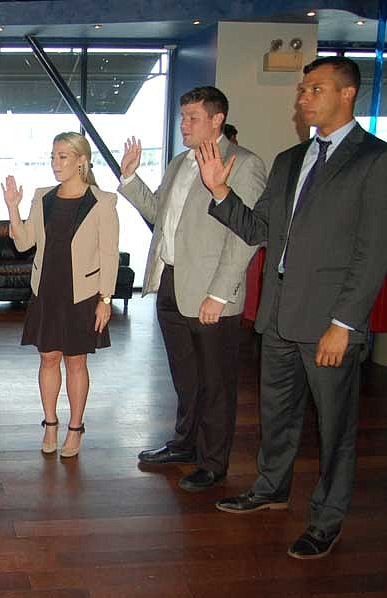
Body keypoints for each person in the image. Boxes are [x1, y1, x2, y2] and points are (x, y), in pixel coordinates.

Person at [197, 57, 387, 559]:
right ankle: (271, 489)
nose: (302, 98)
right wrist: (220, 191)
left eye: (315, 89)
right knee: (276, 414)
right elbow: (260, 231)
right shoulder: (289, 160)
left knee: (334, 426)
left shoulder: (374, 160)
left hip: (329, 321)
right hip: (279, 316)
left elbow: (374, 252)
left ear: (347, 95)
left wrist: (345, 323)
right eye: (302, 89)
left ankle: (327, 518)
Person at [118, 86, 267, 491]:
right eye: (182, 117)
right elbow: (159, 215)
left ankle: (214, 462)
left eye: (193, 118)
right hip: (170, 281)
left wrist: (219, 293)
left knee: (216, 383)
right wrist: (130, 178)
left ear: (217, 120)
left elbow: (246, 236)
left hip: (211, 294)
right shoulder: (181, 162)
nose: (184, 125)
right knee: (186, 377)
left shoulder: (245, 164)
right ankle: (184, 445)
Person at [1, 132, 119, 458]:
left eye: (63, 156)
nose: (56, 163)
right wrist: (13, 207)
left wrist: (105, 300)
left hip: (82, 293)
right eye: (53, 156)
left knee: (76, 362)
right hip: (47, 290)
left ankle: (76, 427)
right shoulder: (43, 197)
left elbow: (109, 254)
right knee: (48, 358)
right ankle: (50, 423)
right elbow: (24, 243)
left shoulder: (102, 201)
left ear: (82, 160)